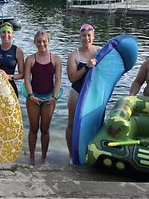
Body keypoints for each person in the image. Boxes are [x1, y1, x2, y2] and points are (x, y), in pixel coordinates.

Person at [24, 30, 62, 165]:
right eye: (39, 41)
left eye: (44, 41)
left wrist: (55, 97)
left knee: (45, 129)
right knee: (33, 128)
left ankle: (44, 157)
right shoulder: (30, 59)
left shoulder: (56, 59)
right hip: (33, 97)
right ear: (35, 43)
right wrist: (30, 95)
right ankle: (32, 156)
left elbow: (58, 80)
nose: (42, 44)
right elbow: (27, 80)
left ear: (49, 42)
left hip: (49, 98)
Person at [65, 24, 100, 163]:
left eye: (89, 35)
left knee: (94, 124)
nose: (87, 38)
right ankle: (72, 154)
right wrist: (86, 67)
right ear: (80, 37)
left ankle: (91, 153)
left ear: (93, 36)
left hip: (93, 93)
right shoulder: (74, 55)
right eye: (84, 35)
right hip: (77, 92)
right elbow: (72, 78)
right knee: (72, 124)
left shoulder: (100, 52)